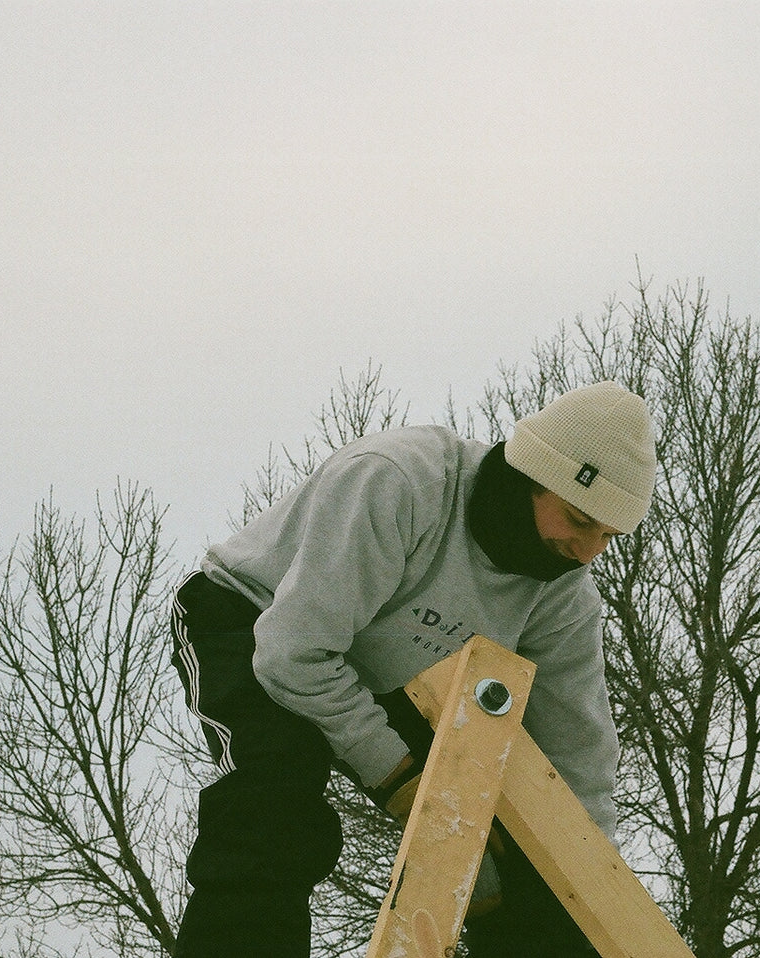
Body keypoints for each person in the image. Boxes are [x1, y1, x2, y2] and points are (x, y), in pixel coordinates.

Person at [169, 380, 658, 958]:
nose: (588, 551)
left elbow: (576, 755)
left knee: (524, 870)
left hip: (393, 672)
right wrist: (400, 775)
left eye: (608, 536)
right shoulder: (400, 482)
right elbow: (292, 655)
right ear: (531, 476)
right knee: (277, 794)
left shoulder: (563, 596)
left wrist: (585, 880)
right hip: (259, 624)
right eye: (579, 521)